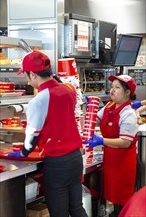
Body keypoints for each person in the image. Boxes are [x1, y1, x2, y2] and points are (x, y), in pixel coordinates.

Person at [7, 51, 88, 217]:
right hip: (75, 158)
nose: (27, 81)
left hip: (58, 163)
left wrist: (22, 153)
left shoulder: (38, 101)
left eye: (27, 76)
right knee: (77, 209)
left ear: (33, 74)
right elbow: (58, 85)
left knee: (59, 213)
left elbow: (31, 139)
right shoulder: (68, 89)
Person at [84, 75, 138, 217]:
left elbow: (125, 142)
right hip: (111, 161)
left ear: (127, 92)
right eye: (112, 87)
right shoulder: (109, 107)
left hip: (124, 164)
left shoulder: (128, 114)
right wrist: (89, 110)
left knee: (123, 202)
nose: (112, 91)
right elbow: (95, 120)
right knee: (112, 199)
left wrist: (102, 140)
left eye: (117, 87)